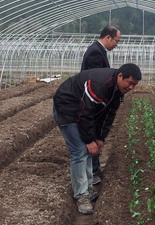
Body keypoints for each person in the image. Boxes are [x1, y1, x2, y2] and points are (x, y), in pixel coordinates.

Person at [53, 63, 142, 215]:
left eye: (134, 85)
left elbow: (108, 114)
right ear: (120, 76)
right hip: (67, 109)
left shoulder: (117, 89)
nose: (131, 87)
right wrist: (89, 140)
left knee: (90, 149)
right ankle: (81, 196)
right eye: (130, 83)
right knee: (80, 150)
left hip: (81, 112)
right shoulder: (100, 84)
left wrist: (100, 138)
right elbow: (85, 113)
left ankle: (87, 188)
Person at [80, 25, 122, 184]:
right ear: (108, 38)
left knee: (96, 132)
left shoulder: (98, 50)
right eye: (116, 41)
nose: (116, 45)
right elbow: (96, 80)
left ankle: (94, 168)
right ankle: (93, 172)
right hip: (92, 100)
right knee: (93, 132)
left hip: (94, 99)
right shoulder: (95, 53)